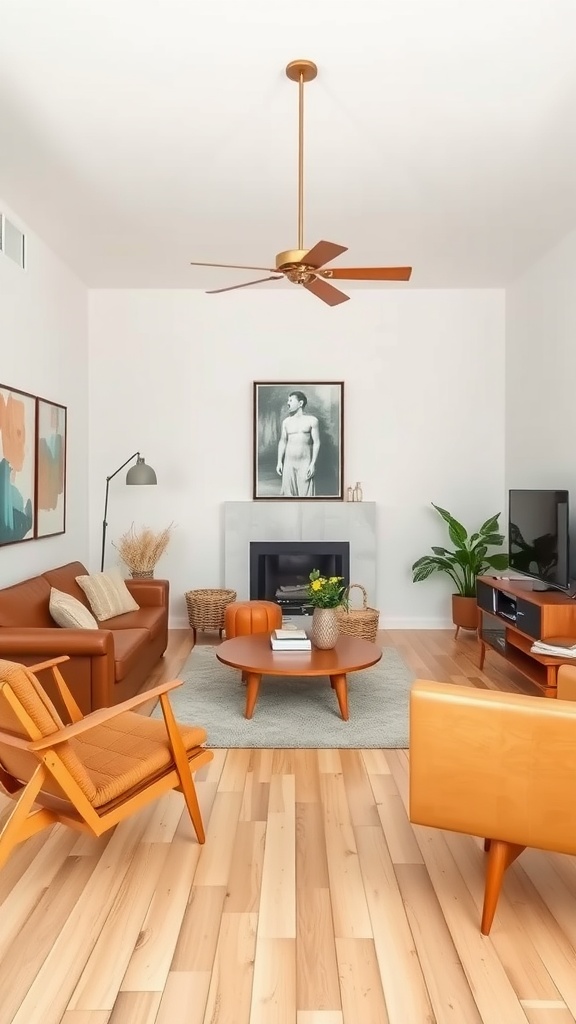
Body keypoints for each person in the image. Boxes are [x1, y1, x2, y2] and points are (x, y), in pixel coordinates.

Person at [276, 391, 320, 497]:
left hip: (305, 463)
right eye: (288, 400)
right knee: (288, 497)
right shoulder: (286, 422)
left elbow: (316, 442)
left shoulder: (312, 420)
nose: (288, 403)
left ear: (300, 403)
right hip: (288, 464)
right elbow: (283, 441)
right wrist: (279, 462)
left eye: (291, 400)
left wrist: (313, 464)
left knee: (306, 498)